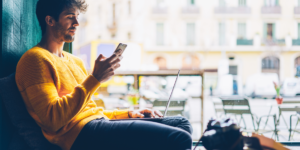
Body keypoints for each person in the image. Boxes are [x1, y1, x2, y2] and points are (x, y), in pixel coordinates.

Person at [15, 0, 193, 150]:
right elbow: (53, 120)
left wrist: (129, 114)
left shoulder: (75, 61)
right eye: (70, 17)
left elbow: (92, 111)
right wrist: (95, 79)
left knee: (182, 124)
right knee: (179, 138)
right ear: (50, 20)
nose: (77, 23)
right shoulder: (35, 59)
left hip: (97, 125)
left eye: (78, 17)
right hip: (79, 136)